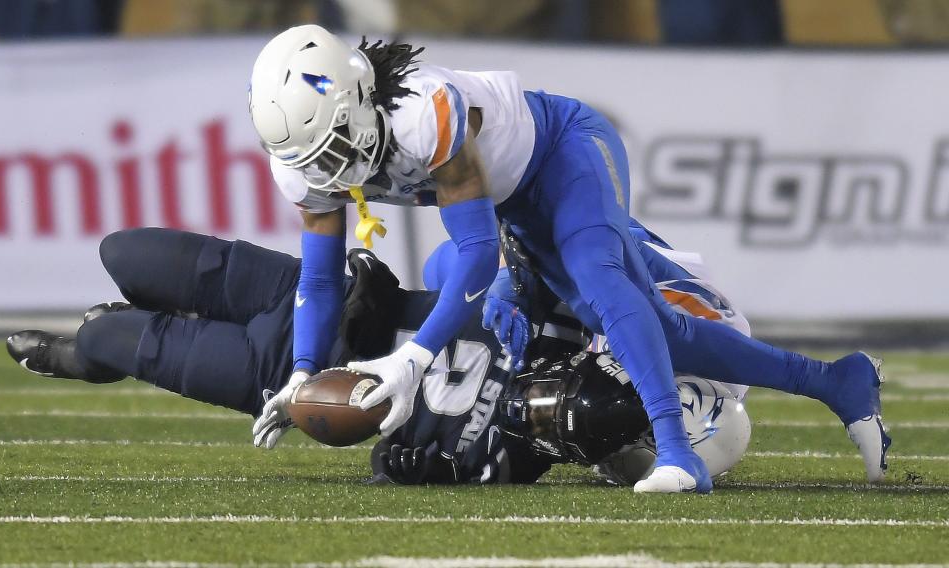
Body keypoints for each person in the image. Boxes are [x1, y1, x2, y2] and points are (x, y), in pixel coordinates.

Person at [248, 25, 887, 493]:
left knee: (603, 284)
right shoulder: (307, 168)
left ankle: (676, 450)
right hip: (509, 209)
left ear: (358, 96)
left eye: (333, 146)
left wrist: (414, 359)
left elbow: (476, 251)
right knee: (643, 328)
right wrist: (302, 372)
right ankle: (835, 381)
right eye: (312, 159)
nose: (329, 172)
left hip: (563, 151)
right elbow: (320, 277)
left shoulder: (423, 112)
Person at [5, 228, 749, 485]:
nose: (547, 408)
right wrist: (374, 287)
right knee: (121, 252)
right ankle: (115, 335)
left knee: (104, 339)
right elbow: (472, 262)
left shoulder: (506, 466)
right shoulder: (554, 317)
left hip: (279, 382)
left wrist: (400, 465)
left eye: (572, 427)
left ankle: (92, 357)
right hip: (309, 298)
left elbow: (383, 463)